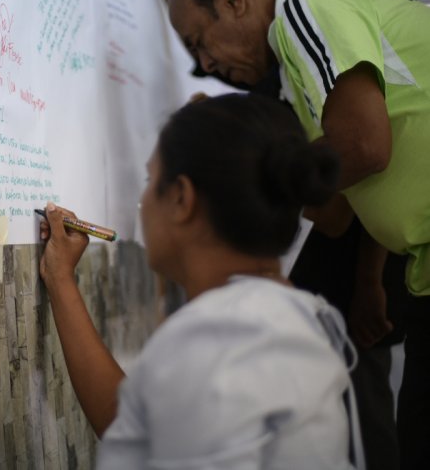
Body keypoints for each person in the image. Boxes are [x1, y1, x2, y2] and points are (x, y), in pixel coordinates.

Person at [167, 0, 430, 467]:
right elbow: (333, 214)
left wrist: (237, 170)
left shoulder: (310, 5)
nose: (205, 66)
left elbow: (366, 145)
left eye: (199, 42)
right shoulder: (300, 78)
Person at [39, 93, 361, 468]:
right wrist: (61, 280)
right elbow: (130, 422)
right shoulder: (293, 315)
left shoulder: (219, 339)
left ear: (181, 199)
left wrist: (61, 280)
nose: (142, 199)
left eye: (150, 180)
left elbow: (128, 425)